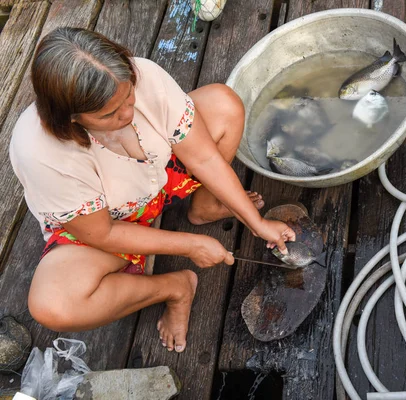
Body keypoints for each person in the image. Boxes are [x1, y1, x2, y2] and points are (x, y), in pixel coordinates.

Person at [9, 27, 296, 353]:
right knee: (54, 306)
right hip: (101, 225)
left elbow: (201, 156)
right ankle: (174, 288)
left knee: (224, 104)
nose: (129, 114)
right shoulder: (41, 152)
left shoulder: (144, 75)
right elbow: (102, 233)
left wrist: (256, 224)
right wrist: (191, 246)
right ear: (71, 118)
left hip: (157, 179)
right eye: (110, 114)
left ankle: (204, 206)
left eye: (129, 96)